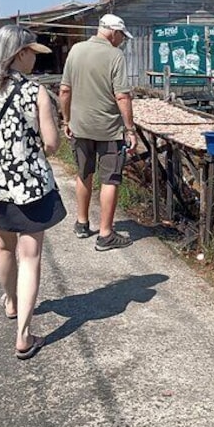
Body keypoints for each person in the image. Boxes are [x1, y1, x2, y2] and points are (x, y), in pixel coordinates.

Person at [0, 25, 65, 360]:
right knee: (30, 256)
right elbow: (51, 144)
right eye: (32, 52)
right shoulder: (36, 93)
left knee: (3, 245)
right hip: (32, 183)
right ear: (19, 53)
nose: (35, 58)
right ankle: (23, 334)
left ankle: (10, 302)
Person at [59, 13, 136, 251]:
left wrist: (67, 120)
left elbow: (64, 90)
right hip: (109, 129)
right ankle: (105, 234)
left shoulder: (76, 50)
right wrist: (130, 129)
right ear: (114, 32)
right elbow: (122, 95)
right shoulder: (115, 56)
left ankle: (82, 223)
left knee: (84, 173)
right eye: (122, 35)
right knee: (110, 179)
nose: (122, 40)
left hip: (80, 126)